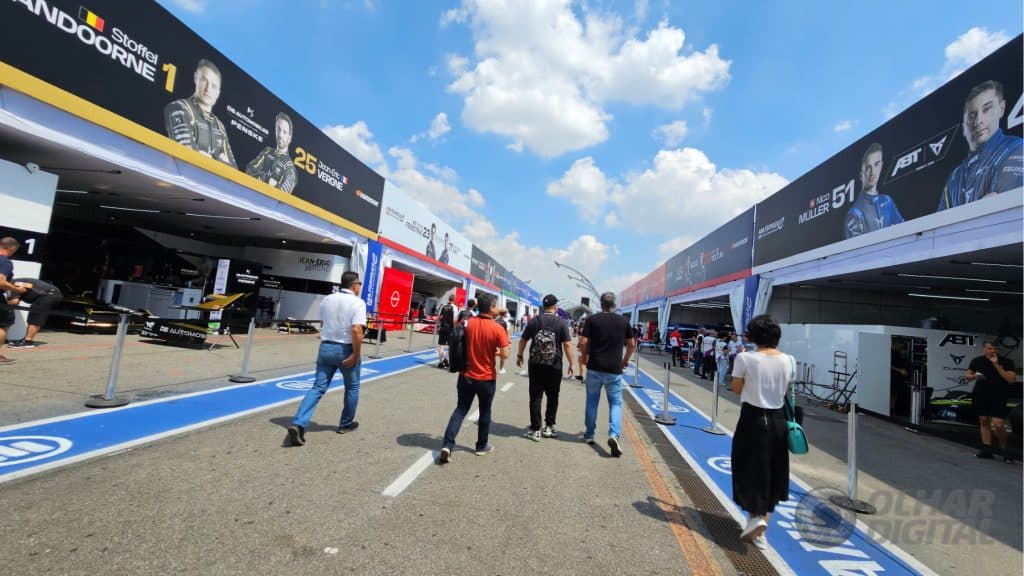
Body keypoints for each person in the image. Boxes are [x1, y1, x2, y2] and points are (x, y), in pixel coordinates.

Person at [730, 315, 795, 550]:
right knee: (773, 470)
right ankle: (761, 528)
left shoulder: (745, 358)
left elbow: (736, 389)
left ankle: (754, 519)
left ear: (753, 336)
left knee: (748, 467)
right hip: (778, 421)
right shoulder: (789, 360)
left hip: (752, 418)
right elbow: (786, 390)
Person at [286, 271, 365, 446]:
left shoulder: (327, 299)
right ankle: (345, 424)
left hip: (325, 347)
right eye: (359, 284)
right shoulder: (358, 303)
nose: (360, 286)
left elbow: (324, 323)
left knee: (318, 387)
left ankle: (299, 423)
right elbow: (356, 330)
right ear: (354, 285)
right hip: (345, 349)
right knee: (352, 388)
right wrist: (356, 353)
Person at [439, 294, 510, 463]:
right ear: (492, 308)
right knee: (485, 410)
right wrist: (497, 351)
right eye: (495, 306)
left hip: (466, 376)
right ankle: (481, 446)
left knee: (461, 409)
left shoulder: (469, 323)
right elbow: (505, 354)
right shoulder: (497, 328)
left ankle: (448, 445)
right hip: (486, 378)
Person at [938, 80, 1023, 211]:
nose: (978, 121)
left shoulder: (1017, 148)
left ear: (1001, 108)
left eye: (987, 109)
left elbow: (1003, 212)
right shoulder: (955, 176)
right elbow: (939, 225)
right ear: (964, 126)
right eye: (972, 116)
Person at [579, 292, 635, 456]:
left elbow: (582, 342)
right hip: (613, 370)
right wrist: (625, 360)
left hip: (594, 367)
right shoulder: (624, 321)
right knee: (616, 403)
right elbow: (631, 344)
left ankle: (589, 435)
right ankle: (613, 434)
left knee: (592, 402)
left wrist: (584, 357)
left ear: (600, 304)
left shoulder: (592, 319)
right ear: (614, 305)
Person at [517, 294, 575, 441]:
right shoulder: (561, 323)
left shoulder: (534, 321)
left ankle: (535, 429)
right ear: (555, 307)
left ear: (543, 307)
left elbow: (523, 339)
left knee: (535, 396)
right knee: (553, 396)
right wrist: (571, 363)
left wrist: (519, 355)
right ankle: (549, 427)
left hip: (536, 364)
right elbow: (567, 345)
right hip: (554, 365)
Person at [164, 58, 236, 167]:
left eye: (214, 86)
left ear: (218, 92)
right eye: (204, 80)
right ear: (195, 78)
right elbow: (186, 154)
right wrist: (220, 161)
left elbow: (234, 169)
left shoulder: (220, 126)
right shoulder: (179, 108)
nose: (208, 89)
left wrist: (207, 157)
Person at [964, 340, 1017, 463]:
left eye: (994, 349)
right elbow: (967, 376)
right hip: (981, 394)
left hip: (999, 396)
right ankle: (987, 450)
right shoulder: (977, 361)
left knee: (998, 424)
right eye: (989, 348)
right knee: (984, 420)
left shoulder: (1007, 362)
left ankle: (1004, 450)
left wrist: (997, 365)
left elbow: (1011, 380)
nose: (992, 351)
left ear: (997, 350)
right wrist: (975, 377)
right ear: (984, 348)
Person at [844, 143, 904, 238]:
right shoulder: (855, 213)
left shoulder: (887, 201)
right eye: (868, 167)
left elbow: (905, 230)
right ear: (861, 174)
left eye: (876, 164)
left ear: (881, 166)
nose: (872, 172)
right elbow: (858, 250)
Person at [245, 112, 298, 193]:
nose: (280, 135)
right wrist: (268, 179)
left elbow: (282, 194)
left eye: (284, 132)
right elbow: (249, 168)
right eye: (278, 129)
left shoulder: (290, 168)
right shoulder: (267, 151)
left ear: (289, 138)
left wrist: (259, 176)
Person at [6, 278, 63, 348]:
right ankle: (25, 340)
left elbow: (14, 302)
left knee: (36, 315)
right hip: (51, 293)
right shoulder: (11, 283)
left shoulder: (12, 285)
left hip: (49, 294)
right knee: (33, 313)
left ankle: (28, 341)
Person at [0, 238, 29, 364]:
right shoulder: (5, 262)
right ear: (12, 248)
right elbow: (1, 282)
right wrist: (17, 289)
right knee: (3, 324)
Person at [436, 295, 456, 369]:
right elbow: (454, 320)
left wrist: (438, 326)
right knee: (451, 346)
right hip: (450, 329)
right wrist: (455, 328)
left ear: (448, 299)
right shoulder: (455, 307)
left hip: (443, 327)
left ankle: (440, 362)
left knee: (441, 345)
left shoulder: (443, 307)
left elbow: (439, 317)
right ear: (454, 300)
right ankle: (446, 359)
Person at [495, 308, 511, 374]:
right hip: (502, 340)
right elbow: (507, 333)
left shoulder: (495, 320)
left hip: (494, 339)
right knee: (502, 355)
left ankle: (492, 367)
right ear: (505, 314)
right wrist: (509, 342)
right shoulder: (507, 322)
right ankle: (501, 369)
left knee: (494, 354)